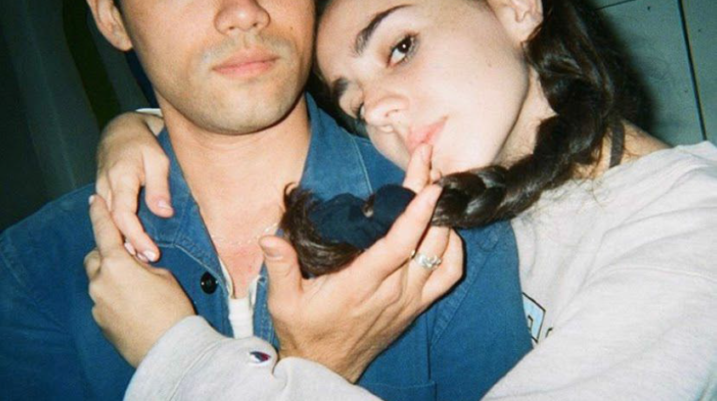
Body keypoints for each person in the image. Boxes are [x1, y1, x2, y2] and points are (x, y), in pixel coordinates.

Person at [91, 0, 717, 399]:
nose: (380, 111)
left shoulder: (693, 234)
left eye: (400, 48)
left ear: (517, 6)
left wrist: (176, 357)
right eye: (356, 102)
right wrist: (143, 126)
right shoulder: (514, 194)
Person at [0, 0, 532, 400]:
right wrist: (314, 366)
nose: (243, 12)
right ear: (111, 18)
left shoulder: (457, 230)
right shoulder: (33, 270)